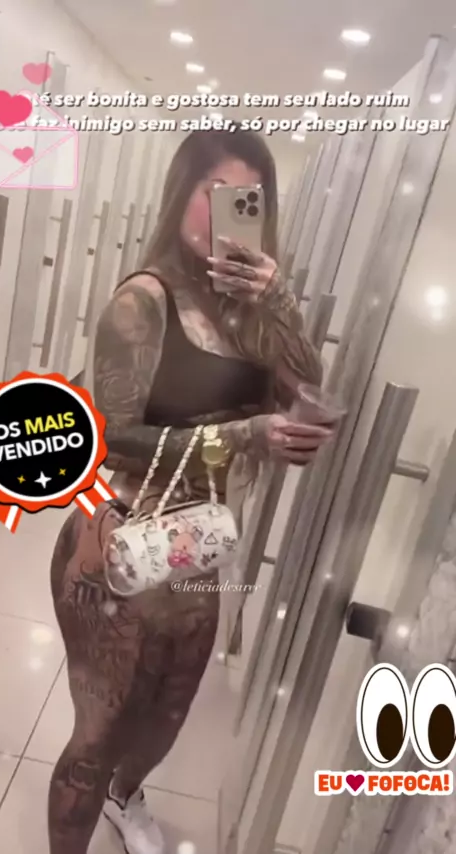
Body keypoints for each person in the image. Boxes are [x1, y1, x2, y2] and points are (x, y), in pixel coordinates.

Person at [48, 127, 331, 854]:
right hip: (118, 541)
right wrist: (243, 437)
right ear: (182, 196)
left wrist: (280, 301)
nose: (230, 214)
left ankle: (126, 799)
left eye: (249, 201)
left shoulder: (248, 313)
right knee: (98, 733)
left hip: (199, 545)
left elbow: (308, 388)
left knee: (166, 717)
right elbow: (109, 435)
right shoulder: (142, 301)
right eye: (216, 194)